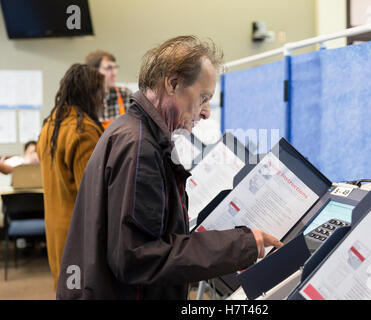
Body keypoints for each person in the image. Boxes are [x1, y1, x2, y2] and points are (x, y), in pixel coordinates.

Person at [57, 36, 282, 300]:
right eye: (203, 97)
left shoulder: (131, 131)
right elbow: (138, 258)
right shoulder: (140, 147)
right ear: (173, 84)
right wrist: (241, 244)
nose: (206, 112)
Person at [36, 64, 105, 291]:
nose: (103, 102)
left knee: (66, 290)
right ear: (90, 94)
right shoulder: (82, 130)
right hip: (79, 235)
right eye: (101, 95)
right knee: (84, 292)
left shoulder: (51, 124)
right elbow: (93, 195)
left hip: (56, 231)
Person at [85, 50, 133, 129]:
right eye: (109, 68)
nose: (114, 73)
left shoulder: (125, 94)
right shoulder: (85, 99)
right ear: (93, 71)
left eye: (115, 68)